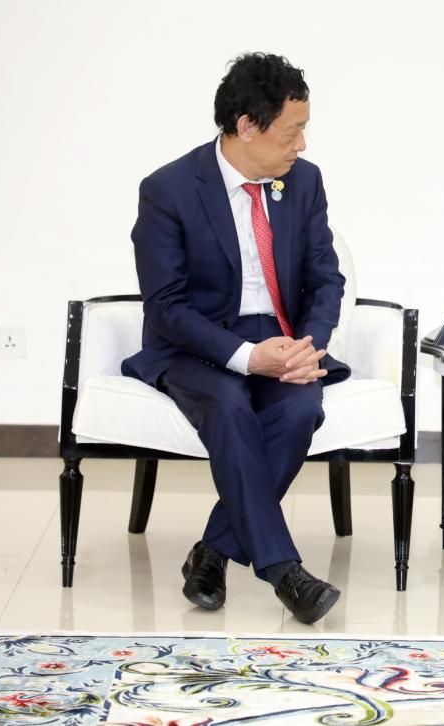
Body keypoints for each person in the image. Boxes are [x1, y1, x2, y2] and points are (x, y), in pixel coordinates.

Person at [123, 52, 350, 625]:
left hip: (282, 338)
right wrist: (247, 358)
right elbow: (166, 306)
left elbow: (326, 278)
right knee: (228, 406)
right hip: (196, 345)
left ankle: (213, 551)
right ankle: (284, 572)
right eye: (292, 131)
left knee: (299, 411)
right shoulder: (168, 189)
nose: (301, 145)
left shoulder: (304, 181)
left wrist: (308, 345)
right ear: (247, 126)